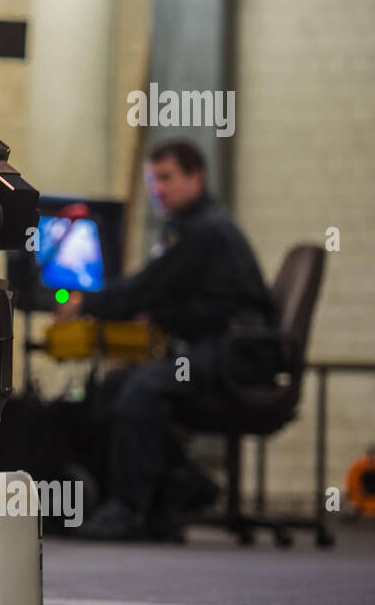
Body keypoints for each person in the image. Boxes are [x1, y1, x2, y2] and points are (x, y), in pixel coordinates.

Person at [56, 140, 277, 541]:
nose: (157, 188)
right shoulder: (190, 229)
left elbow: (150, 286)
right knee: (115, 386)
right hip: (215, 348)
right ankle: (170, 497)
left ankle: (129, 507)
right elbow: (174, 294)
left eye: (166, 177)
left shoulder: (207, 232)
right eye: (152, 180)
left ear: (197, 177)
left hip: (236, 352)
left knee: (142, 390)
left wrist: (88, 301)